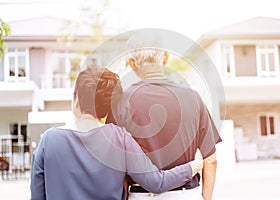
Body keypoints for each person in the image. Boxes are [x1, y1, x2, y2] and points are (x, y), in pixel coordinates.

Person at [30, 66, 203, 200]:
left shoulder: (48, 141)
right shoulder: (119, 139)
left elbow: (37, 196)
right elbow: (156, 183)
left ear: (76, 99)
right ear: (108, 107)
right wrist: (193, 166)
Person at [107, 34, 222, 200]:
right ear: (165, 58)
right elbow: (211, 160)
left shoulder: (120, 103)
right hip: (186, 195)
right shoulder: (193, 98)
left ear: (132, 64)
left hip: (140, 195)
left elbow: (116, 166)